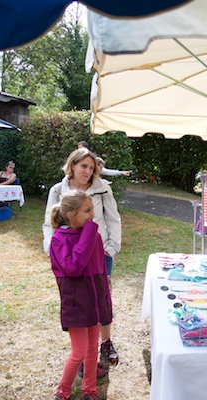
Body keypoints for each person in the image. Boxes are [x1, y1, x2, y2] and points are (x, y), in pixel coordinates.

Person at [43, 148, 122, 365]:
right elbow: (48, 222)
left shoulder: (102, 189)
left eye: (91, 167)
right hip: (70, 258)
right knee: (78, 302)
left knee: (102, 297)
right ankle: (83, 353)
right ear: (72, 166)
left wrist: (112, 246)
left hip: (98, 253)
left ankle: (105, 342)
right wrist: (52, 249)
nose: (87, 171)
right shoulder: (58, 191)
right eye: (83, 166)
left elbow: (113, 218)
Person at [48, 190, 112, 400]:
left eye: (92, 209)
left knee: (92, 349)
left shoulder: (92, 236)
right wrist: (87, 234)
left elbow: (100, 271)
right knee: (78, 352)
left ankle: (89, 390)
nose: (92, 215)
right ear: (70, 215)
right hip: (76, 303)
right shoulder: (59, 240)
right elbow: (74, 267)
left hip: (94, 300)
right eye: (87, 211)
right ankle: (62, 393)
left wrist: (105, 298)